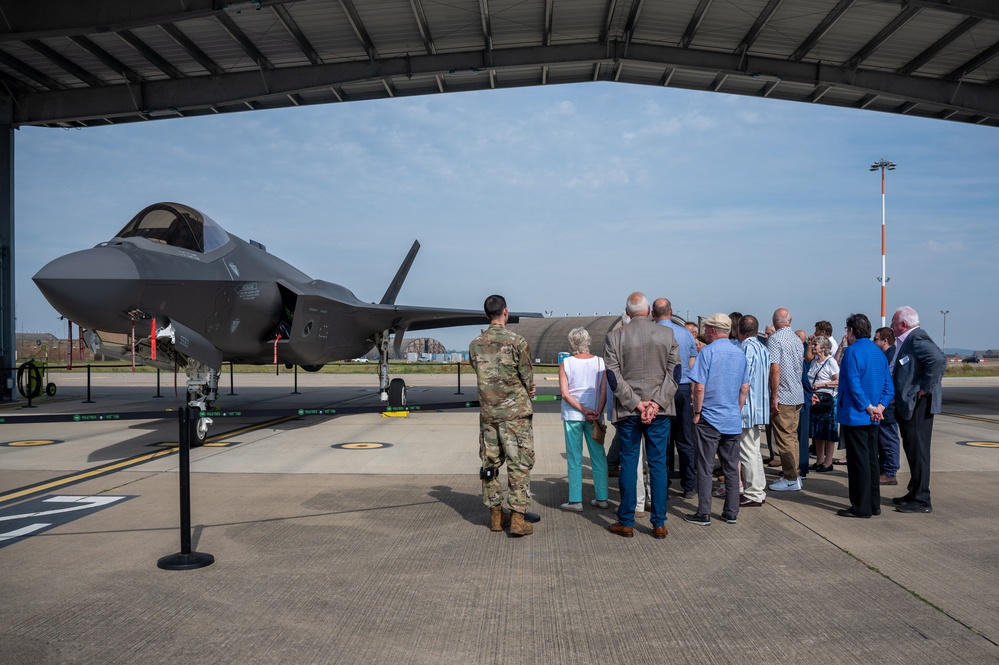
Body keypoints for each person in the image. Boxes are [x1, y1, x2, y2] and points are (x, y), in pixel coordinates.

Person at [604, 292, 679, 539]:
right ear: (648, 311)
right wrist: (656, 403)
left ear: (627, 312)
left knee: (629, 463)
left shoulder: (615, 337)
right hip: (660, 411)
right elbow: (675, 373)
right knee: (658, 464)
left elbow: (613, 377)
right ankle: (659, 523)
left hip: (628, 411)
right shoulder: (667, 334)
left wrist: (637, 404)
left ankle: (626, 520)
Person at [468, 295, 536, 536]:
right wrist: (529, 389)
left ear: (487, 315)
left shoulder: (475, 344)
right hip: (515, 415)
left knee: (490, 464)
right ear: (505, 312)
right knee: (519, 464)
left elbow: (480, 370)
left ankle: (496, 516)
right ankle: (517, 518)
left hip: (489, 415)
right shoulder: (517, 341)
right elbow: (527, 376)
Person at [685, 313, 749, 526]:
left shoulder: (708, 352)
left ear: (712, 330)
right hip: (731, 418)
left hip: (709, 417)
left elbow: (699, 386)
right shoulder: (740, 353)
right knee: (731, 466)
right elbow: (744, 387)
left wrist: (697, 412)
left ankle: (704, 512)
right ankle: (731, 511)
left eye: (706, 328)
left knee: (705, 466)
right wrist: (736, 410)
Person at [836, 314, 894, 518]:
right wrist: (880, 406)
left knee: (858, 462)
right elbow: (889, 386)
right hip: (874, 417)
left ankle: (861, 506)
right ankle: (874, 503)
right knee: (871, 460)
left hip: (857, 414)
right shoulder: (878, 353)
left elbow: (854, 385)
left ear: (851, 331)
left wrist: (869, 407)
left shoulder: (852, 352)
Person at [889, 306, 946, 514]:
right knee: (913, 452)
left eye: (893, 324)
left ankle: (922, 499)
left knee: (919, 452)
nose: (891, 328)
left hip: (918, 405)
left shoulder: (916, 339)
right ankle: (914, 492)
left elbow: (938, 361)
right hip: (910, 405)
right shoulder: (909, 340)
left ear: (903, 324)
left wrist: (924, 388)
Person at [558, 327, 609, 511]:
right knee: (598, 457)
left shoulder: (566, 363)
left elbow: (565, 393)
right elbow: (604, 391)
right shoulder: (600, 362)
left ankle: (575, 500)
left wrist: (582, 409)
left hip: (573, 416)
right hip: (595, 417)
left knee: (574, 457)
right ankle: (602, 498)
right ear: (588, 341)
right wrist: (596, 411)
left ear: (571, 343)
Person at [652, 298, 697, 497]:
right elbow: (692, 361)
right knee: (685, 438)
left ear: (653, 314)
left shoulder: (652, 333)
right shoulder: (685, 333)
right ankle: (689, 484)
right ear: (671, 312)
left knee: (663, 439)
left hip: (660, 389)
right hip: (683, 387)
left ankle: (664, 483)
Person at [768, 308, 805, 492]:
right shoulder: (797, 339)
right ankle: (794, 475)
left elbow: (775, 369)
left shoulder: (775, 339)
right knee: (792, 437)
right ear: (790, 320)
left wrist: (774, 396)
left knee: (784, 439)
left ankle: (791, 477)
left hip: (783, 394)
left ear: (774, 322)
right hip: (797, 393)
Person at [737, 314, 769, 507]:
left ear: (740, 331)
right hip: (759, 405)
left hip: (747, 406)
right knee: (754, 449)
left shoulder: (746, 348)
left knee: (747, 450)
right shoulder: (763, 348)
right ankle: (758, 488)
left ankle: (753, 492)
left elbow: (743, 380)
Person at [873, 326, 901, 486]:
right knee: (883, 440)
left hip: (888, 405)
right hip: (883, 404)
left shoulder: (892, 356)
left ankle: (890, 472)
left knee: (889, 439)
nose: (873, 341)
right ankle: (885, 469)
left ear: (884, 341)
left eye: (876, 339)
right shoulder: (885, 355)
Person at [807, 336, 839, 472]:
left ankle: (828, 461)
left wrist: (822, 384)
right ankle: (819, 460)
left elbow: (839, 381)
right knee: (817, 431)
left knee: (828, 431)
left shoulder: (830, 362)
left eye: (816, 344)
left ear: (824, 348)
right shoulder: (815, 361)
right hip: (816, 399)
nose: (813, 346)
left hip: (828, 400)